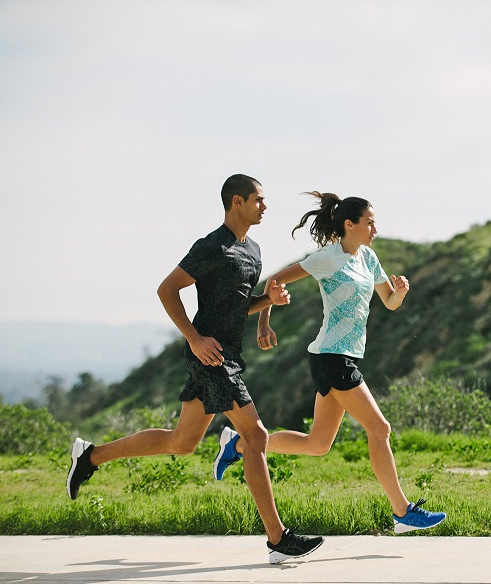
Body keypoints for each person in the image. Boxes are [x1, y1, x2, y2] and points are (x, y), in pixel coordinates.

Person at [66, 174, 323, 564]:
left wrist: (266, 305)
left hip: (229, 354)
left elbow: (239, 305)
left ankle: (90, 457)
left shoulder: (252, 250)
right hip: (211, 357)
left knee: (181, 443)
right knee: (255, 437)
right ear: (237, 201)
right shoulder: (211, 246)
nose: (265, 207)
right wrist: (193, 338)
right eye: (259, 199)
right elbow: (167, 289)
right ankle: (278, 539)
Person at [212, 191, 446, 534]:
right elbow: (274, 282)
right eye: (369, 223)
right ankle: (402, 512)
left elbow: (390, 302)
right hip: (332, 357)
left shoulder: (368, 258)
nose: (375, 229)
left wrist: (401, 292)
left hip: (340, 356)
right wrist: (264, 320)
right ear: (349, 225)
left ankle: (237, 444)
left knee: (317, 445)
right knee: (379, 429)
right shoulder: (328, 258)